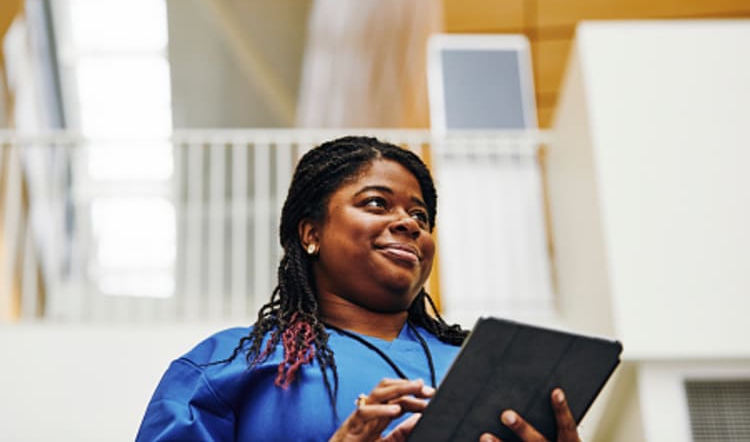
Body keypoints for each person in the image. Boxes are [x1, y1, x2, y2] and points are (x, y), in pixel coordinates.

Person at [136, 135, 579, 441]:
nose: (408, 223)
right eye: (376, 203)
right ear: (310, 233)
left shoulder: (481, 366)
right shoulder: (229, 365)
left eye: (421, 217)